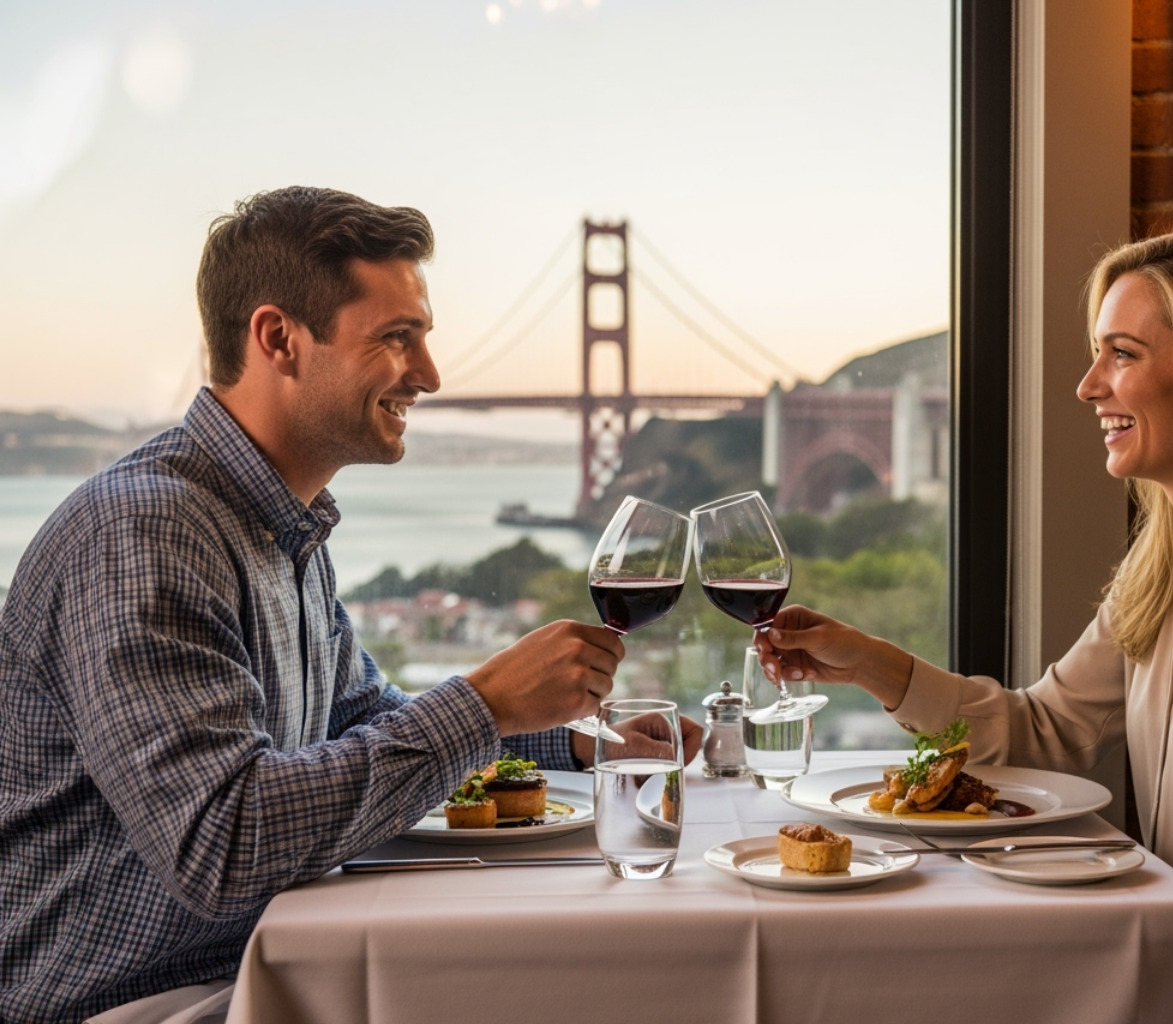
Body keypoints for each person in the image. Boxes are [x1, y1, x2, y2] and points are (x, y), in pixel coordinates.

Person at [0, 186, 699, 1024]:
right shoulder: (148, 531)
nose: (431, 377)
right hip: (133, 1001)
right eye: (396, 339)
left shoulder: (282, 525)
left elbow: (360, 719)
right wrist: (484, 703)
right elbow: (221, 842)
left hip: (258, 958)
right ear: (278, 339)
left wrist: (577, 742)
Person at [757, 226, 1173, 1023]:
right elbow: (1043, 729)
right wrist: (870, 663)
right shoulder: (1167, 564)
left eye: (1122, 353)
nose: (1087, 386)